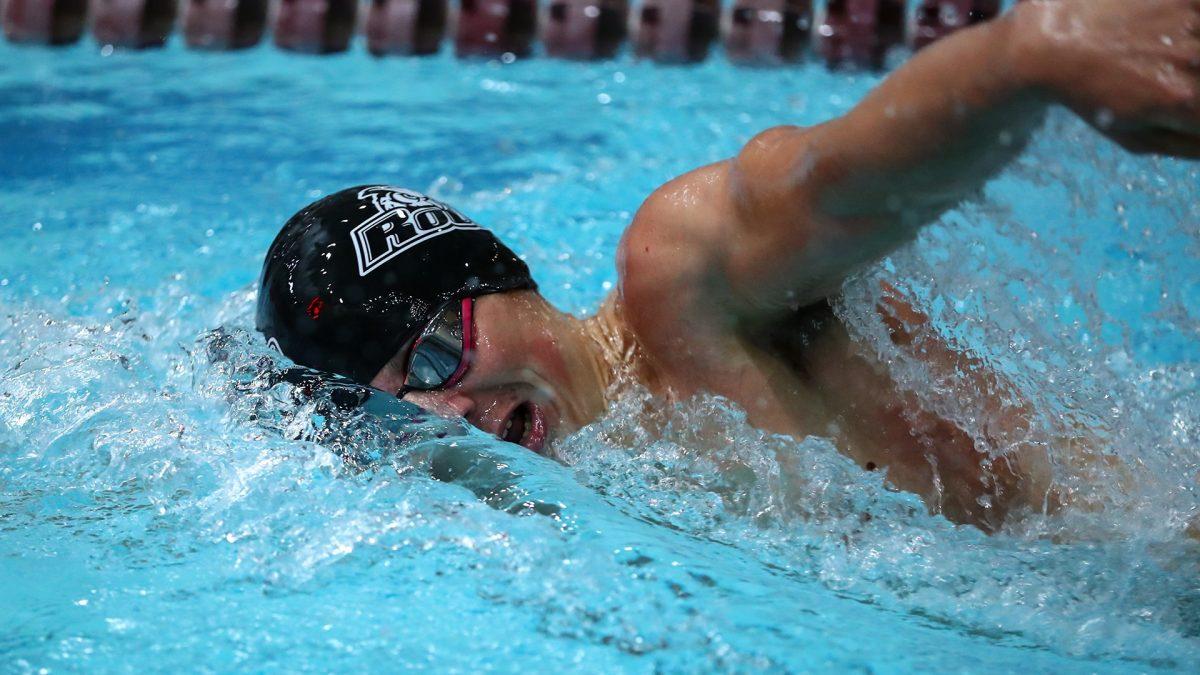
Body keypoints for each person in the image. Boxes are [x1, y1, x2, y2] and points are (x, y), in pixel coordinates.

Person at [257, 0, 1200, 531]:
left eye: (430, 359)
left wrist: (1020, 57)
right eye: (399, 402)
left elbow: (837, 181)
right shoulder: (570, 479)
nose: (449, 414)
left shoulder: (679, 287)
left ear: (496, 280)